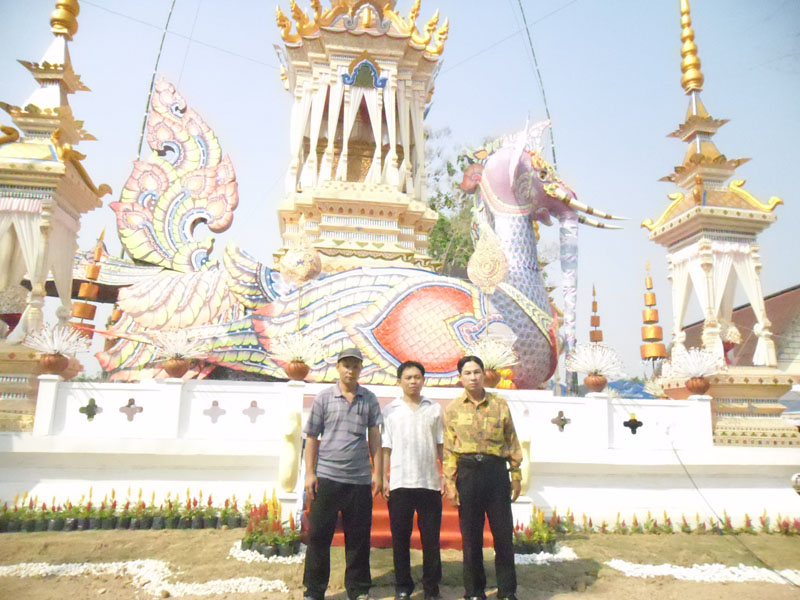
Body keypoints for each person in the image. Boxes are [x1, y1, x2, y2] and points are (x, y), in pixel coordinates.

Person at [302, 348, 383, 600]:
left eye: (356, 366)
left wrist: (378, 472)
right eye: (346, 365)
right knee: (319, 536)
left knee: (358, 538)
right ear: (337, 367)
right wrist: (309, 473)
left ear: (361, 369)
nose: (351, 370)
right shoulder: (324, 398)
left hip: (359, 479)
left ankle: (358, 589)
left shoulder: (368, 399)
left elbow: (375, 438)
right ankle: (314, 590)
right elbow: (312, 437)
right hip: (327, 477)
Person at [443, 355, 522, 600]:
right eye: (467, 373)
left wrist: (516, 475)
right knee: (471, 537)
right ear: (460, 378)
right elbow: (449, 449)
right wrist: (450, 483)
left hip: (495, 473)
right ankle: (475, 591)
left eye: (477, 372)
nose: (473, 377)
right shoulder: (453, 409)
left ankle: (507, 590)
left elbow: (511, 440)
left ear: (483, 374)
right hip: (468, 474)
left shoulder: (499, 404)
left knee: (503, 535)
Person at [382, 360, 444, 600]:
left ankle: (431, 588)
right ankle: (403, 586)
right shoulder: (390, 411)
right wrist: (384, 477)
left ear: (423, 380)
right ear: (399, 381)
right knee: (400, 539)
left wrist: (445, 475)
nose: (413, 382)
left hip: (429, 482)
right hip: (400, 482)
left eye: (417, 377)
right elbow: (385, 447)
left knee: (431, 540)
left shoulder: (434, 409)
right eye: (408, 378)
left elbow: (441, 444)